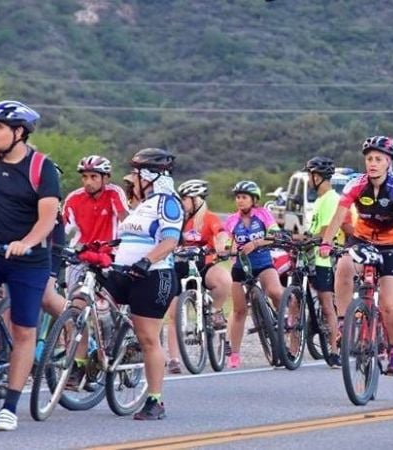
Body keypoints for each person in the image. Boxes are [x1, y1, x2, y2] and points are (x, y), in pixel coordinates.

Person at [319, 136, 393, 376]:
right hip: (362, 240)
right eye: (369, 159)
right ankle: (344, 321)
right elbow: (339, 216)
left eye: (378, 159)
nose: (372, 163)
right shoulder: (355, 184)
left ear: (388, 163)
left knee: (388, 303)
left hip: (392, 245)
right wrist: (326, 241)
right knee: (343, 265)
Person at [0, 100, 60, 431]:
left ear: (19, 133)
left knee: (24, 329)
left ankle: (10, 406)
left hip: (27, 261)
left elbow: (47, 220)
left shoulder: (41, 168)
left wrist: (26, 243)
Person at [101, 147, 182, 420]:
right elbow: (128, 238)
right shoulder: (141, 206)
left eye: (135, 174)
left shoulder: (167, 202)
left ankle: (155, 400)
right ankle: (85, 359)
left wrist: (146, 261)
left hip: (153, 276)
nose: (131, 180)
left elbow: (170, 241)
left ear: (149, 176)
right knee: (86, 303)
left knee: (148, 338)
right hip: (123, 272)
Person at [62, 155, 129, 386]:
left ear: (105, 178)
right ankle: (78, 365)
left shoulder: (114, 194)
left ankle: (114, 346)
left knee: (104, 309)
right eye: (84, 177)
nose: (88, 182)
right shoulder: (74, 199)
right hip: (81, 258)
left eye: (93, 177)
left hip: (109, 257)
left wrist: (122, 245)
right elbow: (64, 230)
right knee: (75, 310)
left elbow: (125, 220)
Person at [165, 179, 232, 374]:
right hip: (179, 266)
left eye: (185, 199)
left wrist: (221, 246)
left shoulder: (209, 218)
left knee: (224, 280)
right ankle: (175, 360)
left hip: (204, 265)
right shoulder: (177, 219)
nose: (182, 202)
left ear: (197, 200)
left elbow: (221, 233)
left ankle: (216, 311)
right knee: (173, 314)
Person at [223, 180, 285, 369]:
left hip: (264, 263)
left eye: (244, 197)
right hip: (241, 267)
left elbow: (275, 235)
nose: (240, 201)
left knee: (276, 292)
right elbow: (226, 241)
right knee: (239, 310)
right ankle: (234, 353)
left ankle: (283, 321)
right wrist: (226, 249)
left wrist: (257, 243)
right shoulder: (232, 220)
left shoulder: (263, 215)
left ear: (254, 199)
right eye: (238, 197)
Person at [301, 157, 342, 367]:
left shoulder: (331, 199)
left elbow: (326, 232)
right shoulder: (318, 200)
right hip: (310, 258)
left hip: (323, 260)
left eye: (309, 175)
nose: (308, 180)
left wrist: (308, 238)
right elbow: (313, 230)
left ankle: (335, 351)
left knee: (327, 306)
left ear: (317, 177)